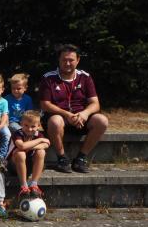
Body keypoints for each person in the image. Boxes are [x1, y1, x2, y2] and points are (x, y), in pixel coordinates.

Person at [38, 44, 109, 173]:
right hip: (58, 117)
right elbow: (45, 104)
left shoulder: (85, 77)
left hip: (81, 117)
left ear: (78, 60)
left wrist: (85, 114)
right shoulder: (48, 78)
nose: (68, 63)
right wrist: (67, 114)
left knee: (102, 120)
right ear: (59, 60)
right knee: (55, 121)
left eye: (71, 60)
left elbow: (95, 103)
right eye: (64, 60)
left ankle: (81, 158)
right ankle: (62, 158)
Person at [8, 110, 50, 199]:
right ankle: (24, 186)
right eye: (26, 125)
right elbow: (22, 146)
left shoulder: (38, 134)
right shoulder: (17, 133)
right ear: (21, 123)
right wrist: (39, 141)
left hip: (30, 166)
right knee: (20, 154)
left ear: (38, 126)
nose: (29, 129)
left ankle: (34, 184)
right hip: (14, 166)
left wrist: (30, 147)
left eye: (33, 126)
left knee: (41, 152)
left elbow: (46, 144)